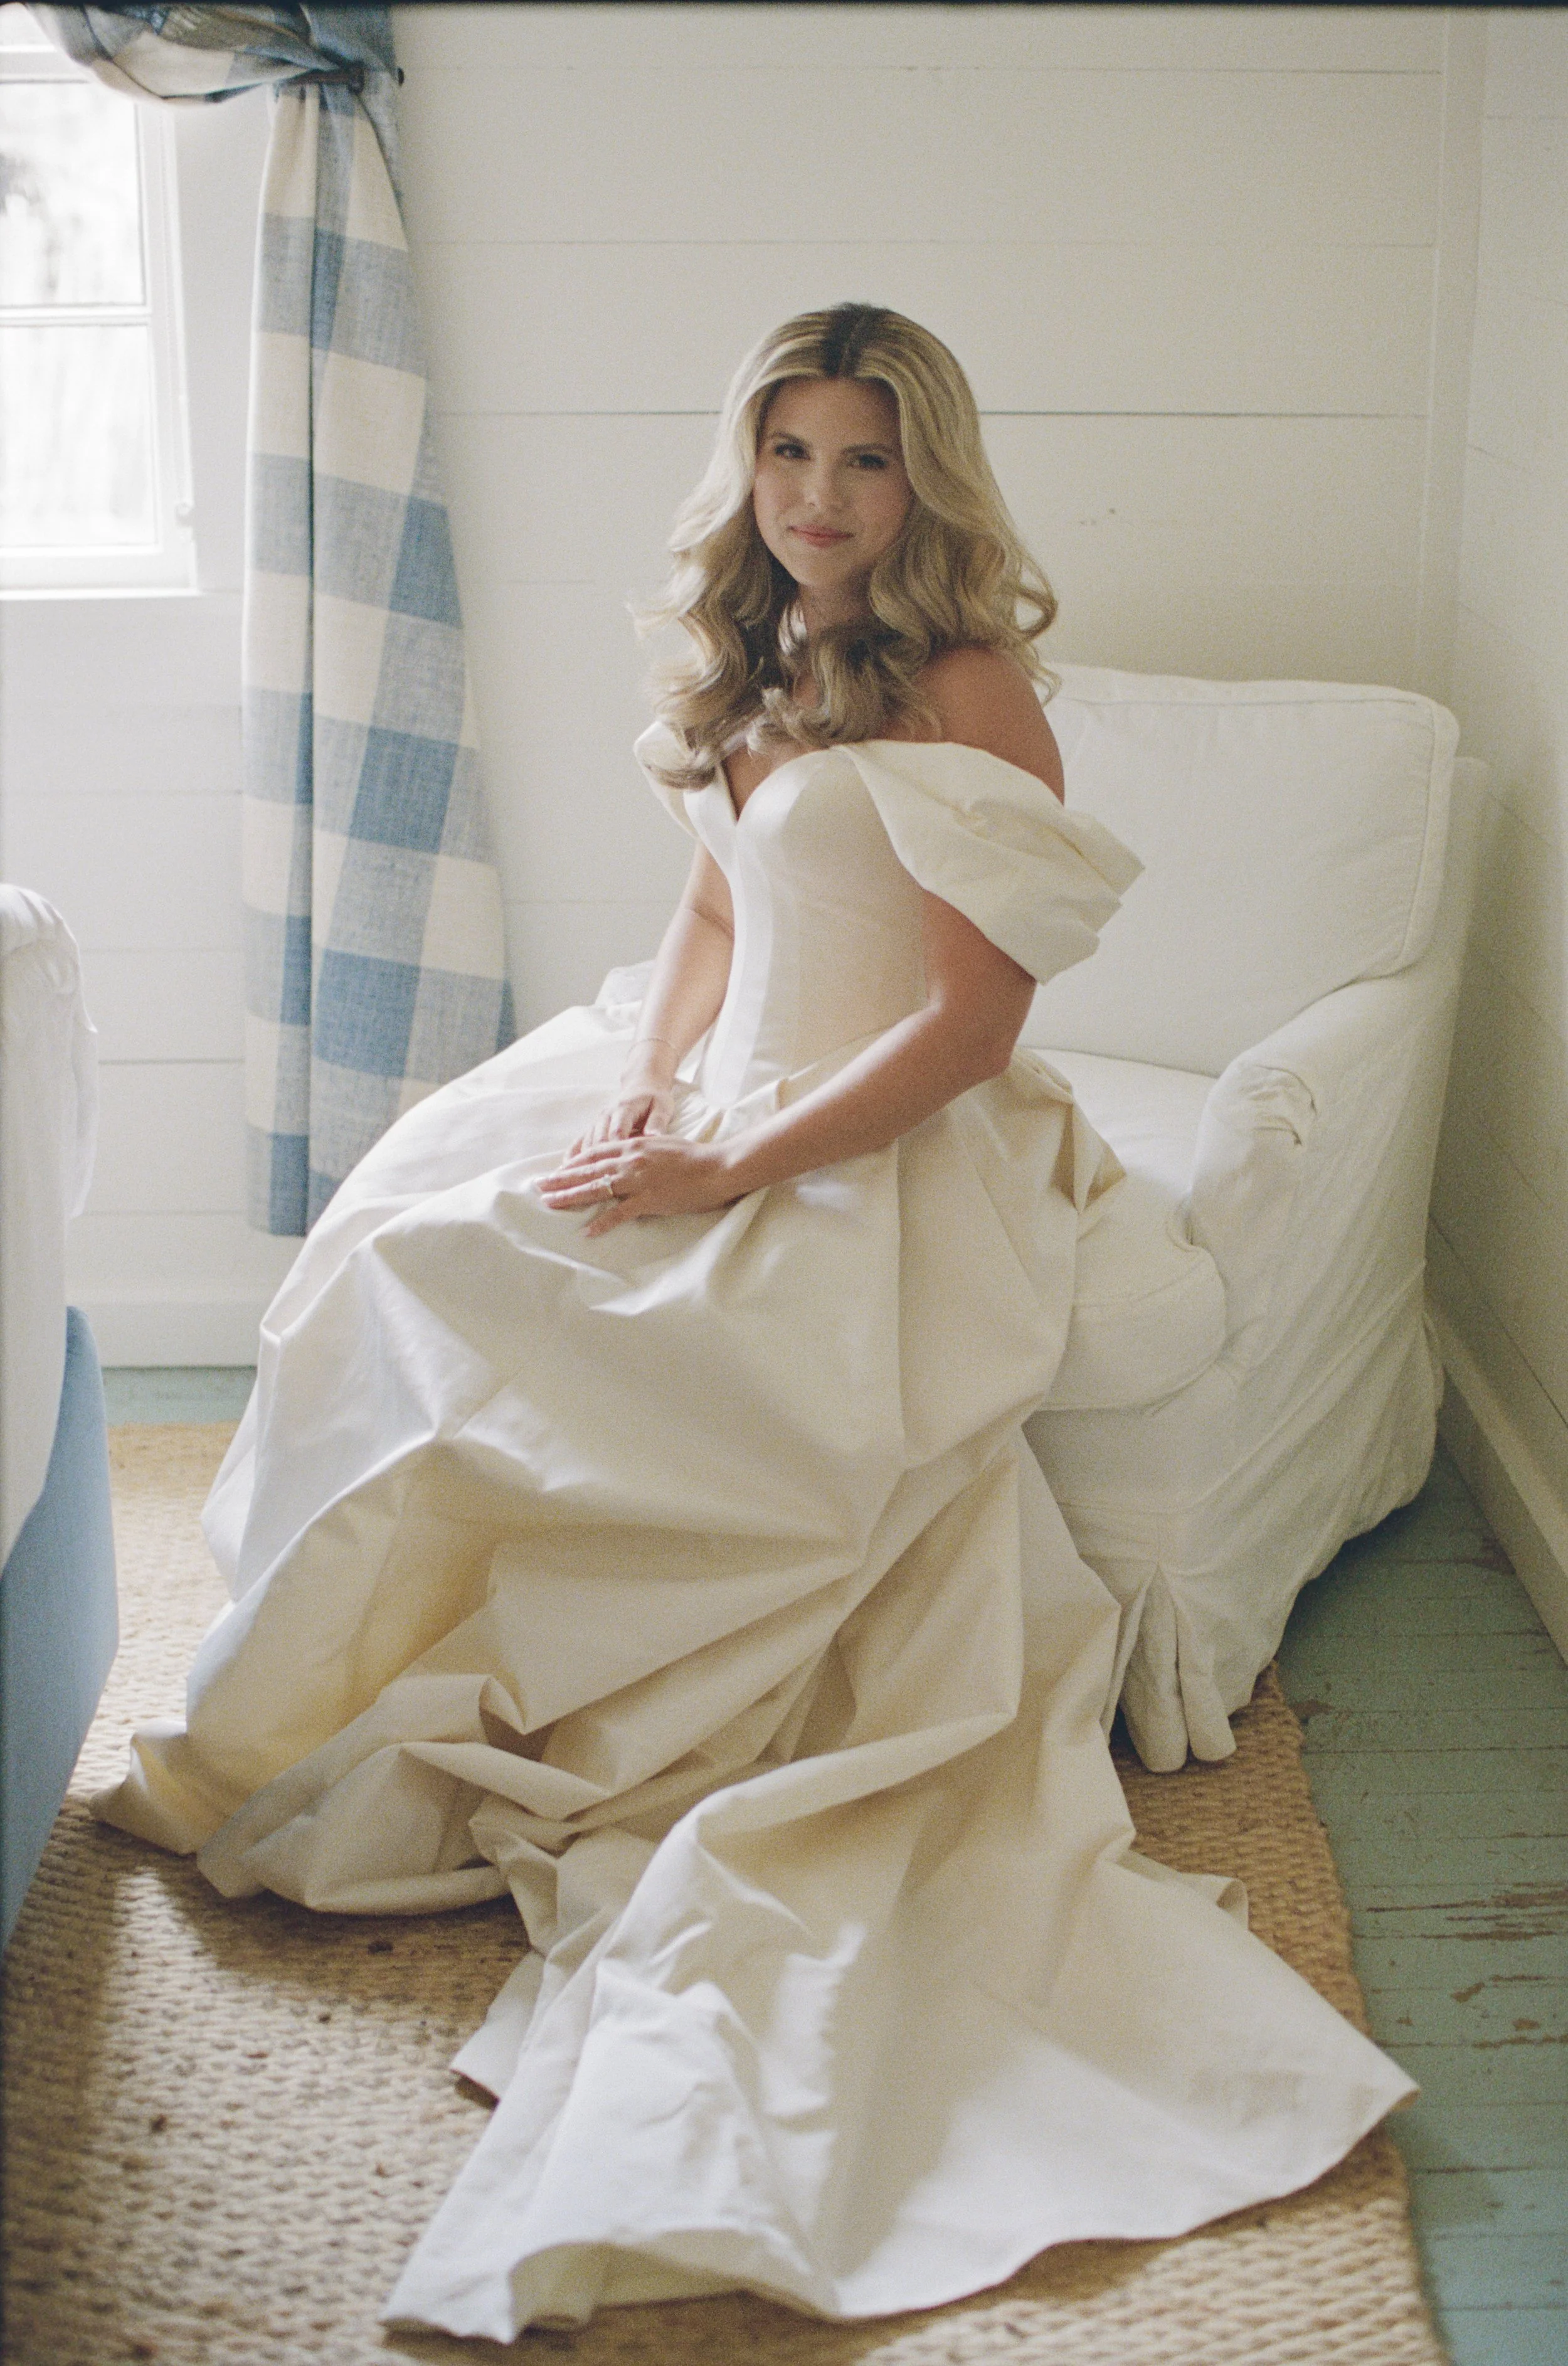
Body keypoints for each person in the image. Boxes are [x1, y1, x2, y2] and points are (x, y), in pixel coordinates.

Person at [96, 304, 1413, 2344]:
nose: (818, 500)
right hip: (727, 1088)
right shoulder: (763, 653)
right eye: (787, 455)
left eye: (862, 462)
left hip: (896, 1147)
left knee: (536, 1314)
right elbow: (718, 906)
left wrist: (732, 1169)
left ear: (926, 480)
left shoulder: (967, 684)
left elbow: (973, 1024)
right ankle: (335, 1671)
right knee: (418, 1244)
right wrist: (655, 1082)